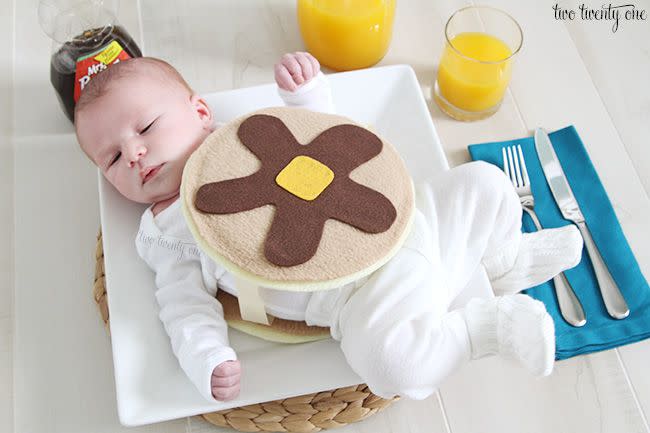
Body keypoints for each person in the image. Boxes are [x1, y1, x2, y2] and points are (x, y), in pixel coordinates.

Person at [75, 53, 583, 403]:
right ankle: (488, 326)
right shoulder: (169, 231)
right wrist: (206, 357)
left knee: (486, 184)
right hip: (360, 298)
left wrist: (306, 95)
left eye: (144, 128)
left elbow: (328, 146)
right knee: (391, 366)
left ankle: (504, 260)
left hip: (405, 225)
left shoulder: (247, 132)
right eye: (113, 158)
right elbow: (182, 305)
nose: (135, 154)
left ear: (201, 111)